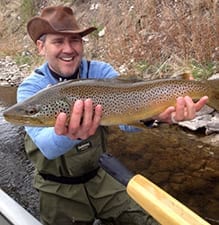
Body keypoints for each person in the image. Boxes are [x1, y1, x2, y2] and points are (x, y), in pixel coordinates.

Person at [17, 5, 208, 225]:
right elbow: (47, 148)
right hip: (57, 188)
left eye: (75, 41)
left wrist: (158, 116)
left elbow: (128, 124)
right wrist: (72, 134)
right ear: (41, 47)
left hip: (100, 175)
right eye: (58, 41)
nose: (68, 49)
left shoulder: (101, 73)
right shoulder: (31, 91)